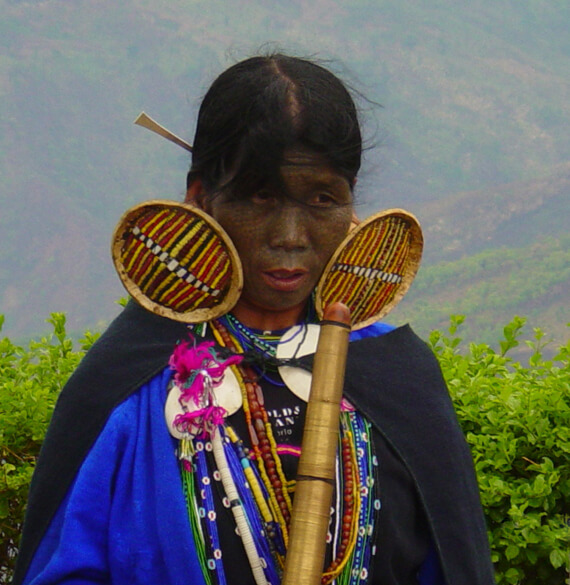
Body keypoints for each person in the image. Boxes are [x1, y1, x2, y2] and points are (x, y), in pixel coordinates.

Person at [13, 53, 496, 585]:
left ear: (350, 206)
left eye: (321, 198)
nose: (290, 235)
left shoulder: (398, 375)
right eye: (260, 195)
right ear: (201, 198)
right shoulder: (128, 386)